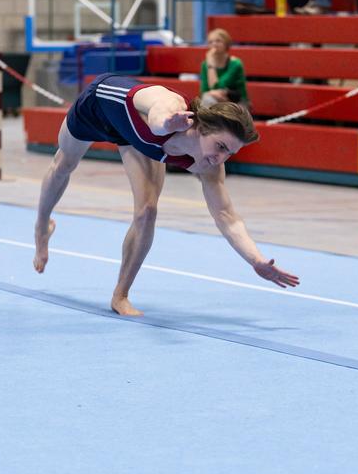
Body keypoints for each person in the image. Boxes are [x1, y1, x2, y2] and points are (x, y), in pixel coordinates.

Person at [33, 73, 299, 316]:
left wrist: (256, 260)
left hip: (133, 139)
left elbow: (227, 216)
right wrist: (167, 123)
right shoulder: (171, 107)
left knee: (147, 211)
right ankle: (42, 226)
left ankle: (120, 295)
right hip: (98, 107)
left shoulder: (209, 165)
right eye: (220, 146)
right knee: (63, 165)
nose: (220, 158)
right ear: (203, 128)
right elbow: (158, 122)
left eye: (229, 152)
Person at [200, 28, 249, 107]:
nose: (214, 44)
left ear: (226, 43)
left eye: (218, 41)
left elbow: (218, 86)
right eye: (210, 42)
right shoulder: (205, 65)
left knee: (209, 100)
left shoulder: (235, 64)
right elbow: (204, 91)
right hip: (215, 100)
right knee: (207, 99)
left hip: (237, 102)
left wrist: (211, 65)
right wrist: (209, 64)